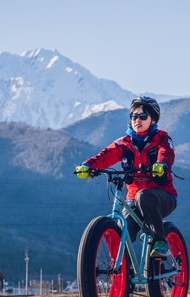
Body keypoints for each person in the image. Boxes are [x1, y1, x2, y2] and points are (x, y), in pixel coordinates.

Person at [74, 96, 177, 258]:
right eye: (134, 116)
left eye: (143, 116)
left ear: (153, 119)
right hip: (133, 202)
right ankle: (123, 277)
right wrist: (88, 166)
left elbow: (166, 154)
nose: (138, 120)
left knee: (143, 195)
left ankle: (160, 241)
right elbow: (105, 156)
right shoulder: (124, 143)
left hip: (163, 197)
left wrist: (161, 165)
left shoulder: (162, 139)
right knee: (123, 234)